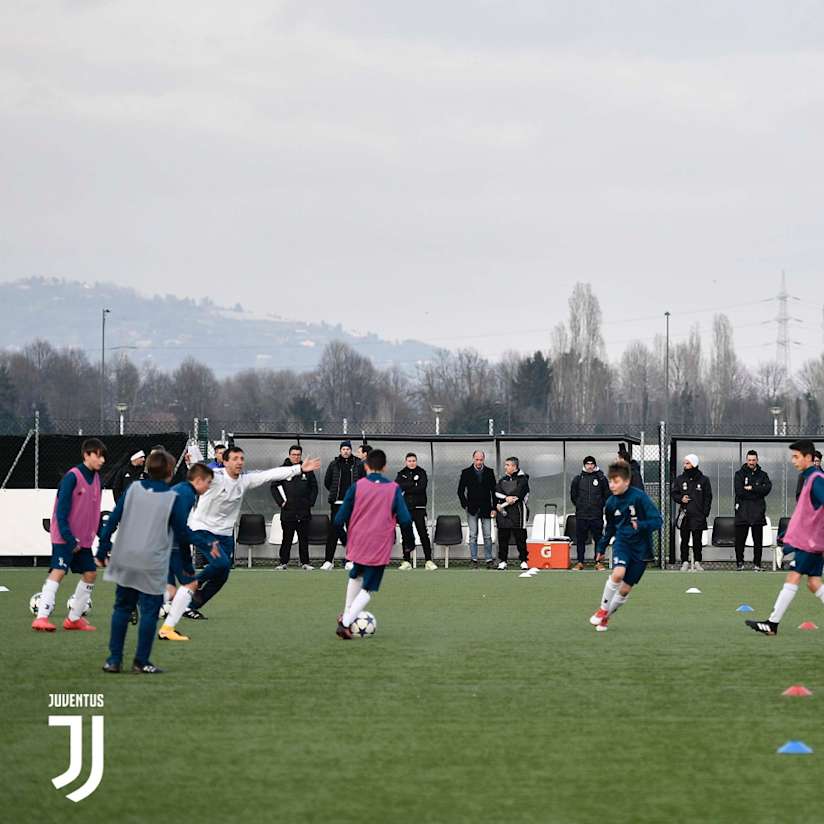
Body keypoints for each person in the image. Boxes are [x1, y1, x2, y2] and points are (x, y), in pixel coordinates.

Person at [96, 450, 215, 672]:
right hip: (151, 559)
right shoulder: (171, 498)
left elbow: (113, 519)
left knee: (121, 608)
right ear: (170, 472)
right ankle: (141, 662)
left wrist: (103, 548)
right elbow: (180, 533)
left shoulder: (133, 489)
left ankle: (113, 660)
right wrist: (189, 567)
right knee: (150, 611)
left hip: (125, 555)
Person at [183, 445, 321, 618]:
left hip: (224, 534)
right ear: (224, 462)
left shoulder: (245, 479)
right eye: (234, 459)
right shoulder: (215, 477)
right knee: (221, 564)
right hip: (203, 529)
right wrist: (193, 462)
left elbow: (269, 475)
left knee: (222, 574)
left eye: (241, 458)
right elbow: (198, 472)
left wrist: (299, 468)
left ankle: (189, 606)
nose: (239, 462)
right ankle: (192, 584)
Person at [746, 440, 824, 636]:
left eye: (797, 457)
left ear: (808, 458)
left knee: (793, 576)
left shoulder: (816, 479)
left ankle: (772, 624)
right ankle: (772, 624)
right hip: (811, 541)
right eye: (792, 456)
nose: (793, 461)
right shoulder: (810, 478)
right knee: (813, 582)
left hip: (812, 542)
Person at [333, 449, 411, 639]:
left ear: (366, 465)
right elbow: (406, 519)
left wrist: (345, 540)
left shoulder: (357, 486)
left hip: (357, 541)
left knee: (355, 575)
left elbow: (338, 518)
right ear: (384, 467)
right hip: (379, 544)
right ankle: (345, 623)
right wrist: (408, 543)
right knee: (368, 587)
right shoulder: (393, 489)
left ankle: (346, 613)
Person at [31, 438, 108, 632]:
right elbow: (61, 512)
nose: (102, 460)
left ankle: (73, 619)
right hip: (65, 537)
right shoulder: (72, 477)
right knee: (59, 571)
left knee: (90, 574)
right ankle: (41, 617)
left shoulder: (97, 479)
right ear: (86, 455)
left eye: (103, 456)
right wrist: (68, 536)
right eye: (98, 455)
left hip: (83, 540)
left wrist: (102, 537)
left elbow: (93, 513)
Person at [589, 461, 663, 632]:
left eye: (616, 482)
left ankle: (605, 617)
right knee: (618, 573)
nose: (612, 485)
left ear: (627, 481)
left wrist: (641, 525)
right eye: (610, 481)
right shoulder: (610, 503)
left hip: (642, 549)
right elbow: (610, 529)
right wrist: (601, 548)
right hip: (622, 543)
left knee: (624, 589)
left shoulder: (639, 497)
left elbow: (657, 521)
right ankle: (602, 609)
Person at [157, 462, 216, 641]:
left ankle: (136, 601)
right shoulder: (186, 494)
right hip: (171, 544)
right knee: (191, 584)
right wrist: (204, 544)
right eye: (208, 483)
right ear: (198, 480)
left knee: (171, 590)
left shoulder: (179, 489)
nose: (208, 487)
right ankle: (167, 629)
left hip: (160, 542)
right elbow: (180, 528)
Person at [271, 444, 319, 570]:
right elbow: (274, 487)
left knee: (304, 538)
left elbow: (314, 487)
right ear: (289, 455)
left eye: (298, 455)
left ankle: (305, 563)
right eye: (294, 455)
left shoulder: (307, 469)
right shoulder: (282, 469)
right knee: (287, 538)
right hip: (288, 511)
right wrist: (281, 502)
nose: (296, 457)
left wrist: (310, 502)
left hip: (304, 511)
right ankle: (283, 562)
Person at [322, 440, 365, 570]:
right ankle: (328, 561)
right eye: (343, 449)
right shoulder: (333, 464)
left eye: (348, 449)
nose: (346, 451)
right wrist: (335, 493)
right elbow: (327, 482)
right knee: (334, 532)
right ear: (340, 451)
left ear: (351, 450)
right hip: (337, 504)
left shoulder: (358, 464)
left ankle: (350, 560)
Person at [671, 454, 712, 572]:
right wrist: (681, 499)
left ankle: (697, 562)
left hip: (698, 515)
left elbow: (708, 497)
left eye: (687, 463)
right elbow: (674, 494)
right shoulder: (680, 479)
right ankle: (684, 562)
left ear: (694, 464)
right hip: (685, 515)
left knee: (697, 540)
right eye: (684, 463)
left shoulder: (704, 480)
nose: (685, 465)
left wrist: (705, 513)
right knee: (684, 539)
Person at [395, 453, 436, 570]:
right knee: (406, 535)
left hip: (419, 509)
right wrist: (412, 482)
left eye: (413, 460)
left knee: (423, 534)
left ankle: (428, 560)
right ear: (406, 462)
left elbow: (421, 487)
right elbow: (398, 486)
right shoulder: (401, 473)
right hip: (406, 509)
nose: (412, 463)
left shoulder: (422, 472)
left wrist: (407, 486)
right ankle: (406, 561)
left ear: (416, 461)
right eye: (409, 461)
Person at [734, 450, 772, 571]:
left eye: (753, 460)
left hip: (757, 512)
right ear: (746, 460)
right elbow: (739, 491)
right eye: (749, 460)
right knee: (740, 540)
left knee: (758, 541)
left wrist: (752, 488)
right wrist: (757, 492)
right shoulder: (739, 474)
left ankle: (757, 564)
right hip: (742, 511)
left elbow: (767, 489)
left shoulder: (763, 475)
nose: (751, 462)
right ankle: (740, 563)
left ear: (757, 460)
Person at [457, 451, 497, 568]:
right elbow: (460, 490)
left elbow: (493, 491)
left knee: (488, 535)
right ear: (473, 459)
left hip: (486, 508)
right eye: (477, 459)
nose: (479, 462)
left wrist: (494, 507)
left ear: (484, 459)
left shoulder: (489, 472)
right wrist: (465, 505)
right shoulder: (466, 472)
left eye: (481, 460)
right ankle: (473, 559)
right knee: (473, 535)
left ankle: (489, 559)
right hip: (472, 508)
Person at [570, 456, 609, 571]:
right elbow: (573, 495)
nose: (590, 466)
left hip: (596, 514)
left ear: (595, 465)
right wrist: (580, 504)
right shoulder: (578, 479)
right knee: (580, 539)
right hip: (582, 515)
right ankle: (580, 562)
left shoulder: (601, 478)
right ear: (584, 465)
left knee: (598, 539)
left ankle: (598, 562)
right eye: (588, 464)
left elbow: (607, 494)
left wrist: (600, 504)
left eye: (592, 464)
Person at [495, 457, 530, 571]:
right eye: (505, 465)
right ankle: (503, 561)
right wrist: (506, 498)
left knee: (520, 537)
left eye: (508, 465)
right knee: (503, 537)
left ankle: (524, 561)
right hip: (504, 514)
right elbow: (497, 492)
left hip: (518, 512)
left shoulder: (523, 479)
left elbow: (519, 494)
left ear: (514, 467)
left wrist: (505, 503)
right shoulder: (503, 479)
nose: (505, 467)